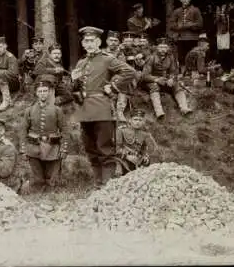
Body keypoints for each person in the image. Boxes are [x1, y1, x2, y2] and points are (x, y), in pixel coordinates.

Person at [71, 26, 136, 188]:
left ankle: (107, 185)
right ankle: (98, 183)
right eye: (86, 41)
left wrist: (113, 87)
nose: (89, 43)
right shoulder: (81, 62)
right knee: (90, 147)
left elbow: (129, 72)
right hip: (85, 110)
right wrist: (74, 84)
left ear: (99, 42)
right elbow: (75, 88)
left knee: (104, 147)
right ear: (83, 44)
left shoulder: (107, 59)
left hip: (102, 109)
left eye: (92, 40)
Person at [20, 74, 69, 193]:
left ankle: (50, 192)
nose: (43, 93)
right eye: (40, 91)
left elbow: (65, 130)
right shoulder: (29, 111)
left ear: (49, 93)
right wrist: (23, 148)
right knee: (37, 176)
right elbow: (23, 130)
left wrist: (64, 148)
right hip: (34, 147)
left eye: (45, 91)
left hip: (52, 147)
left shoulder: (57, 110)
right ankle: (36, 189)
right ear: (36, 93)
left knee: (52, 177)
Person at [142, 37, 193, 119]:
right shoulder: (151, 58)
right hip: (151, 81)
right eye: (161, 47)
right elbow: (145, 75)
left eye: (165, 47)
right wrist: (157, 79)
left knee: (176, 86)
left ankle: (184, 108)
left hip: (164, 80)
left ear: (168, 48)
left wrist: (171, 79)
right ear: (157, 48)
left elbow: (173, 71)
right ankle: (159, 112)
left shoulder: (170, 57)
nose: (163, 49)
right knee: (154, 86)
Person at [114, 109, 157, 177]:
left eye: (140, 120)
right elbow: (115, 148)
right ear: (130, 120)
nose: (138, 122)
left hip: (136, 161)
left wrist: (145, 157)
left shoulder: (144, 134)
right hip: (123, 160)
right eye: (135, 119)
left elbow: (144, 150)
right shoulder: (121, 131)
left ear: (143, 121)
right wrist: (127, 156)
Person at [169, 0, 204, 74]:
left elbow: (200, 24)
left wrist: (190, 25)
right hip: (181, 37)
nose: (185, 1)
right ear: (180, 0)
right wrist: (180, 27)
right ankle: (183, 72)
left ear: (190, 0)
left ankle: (193, 72)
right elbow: (171, 24)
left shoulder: (195, 10)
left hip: (193, 37)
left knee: (193, 54)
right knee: (181, 56)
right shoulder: (177, 11)